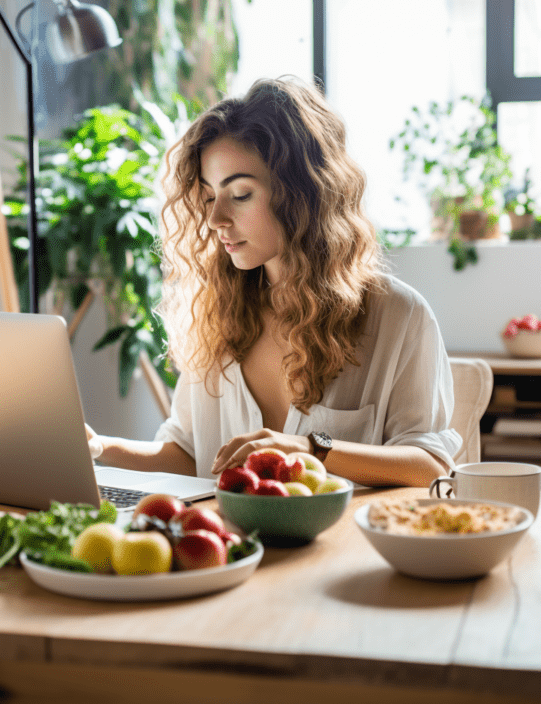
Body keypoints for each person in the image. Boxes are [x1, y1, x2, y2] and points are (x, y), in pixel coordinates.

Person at [86, 76, 460, 487]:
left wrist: (312, 449)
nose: (215, 220)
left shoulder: (398, 316)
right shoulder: (214, 313)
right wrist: (97, 448)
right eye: (210, 197)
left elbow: (430, 466)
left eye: (240, 194)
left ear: (302, 194)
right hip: (230, 548)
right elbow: (187, 455)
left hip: (341, 546)